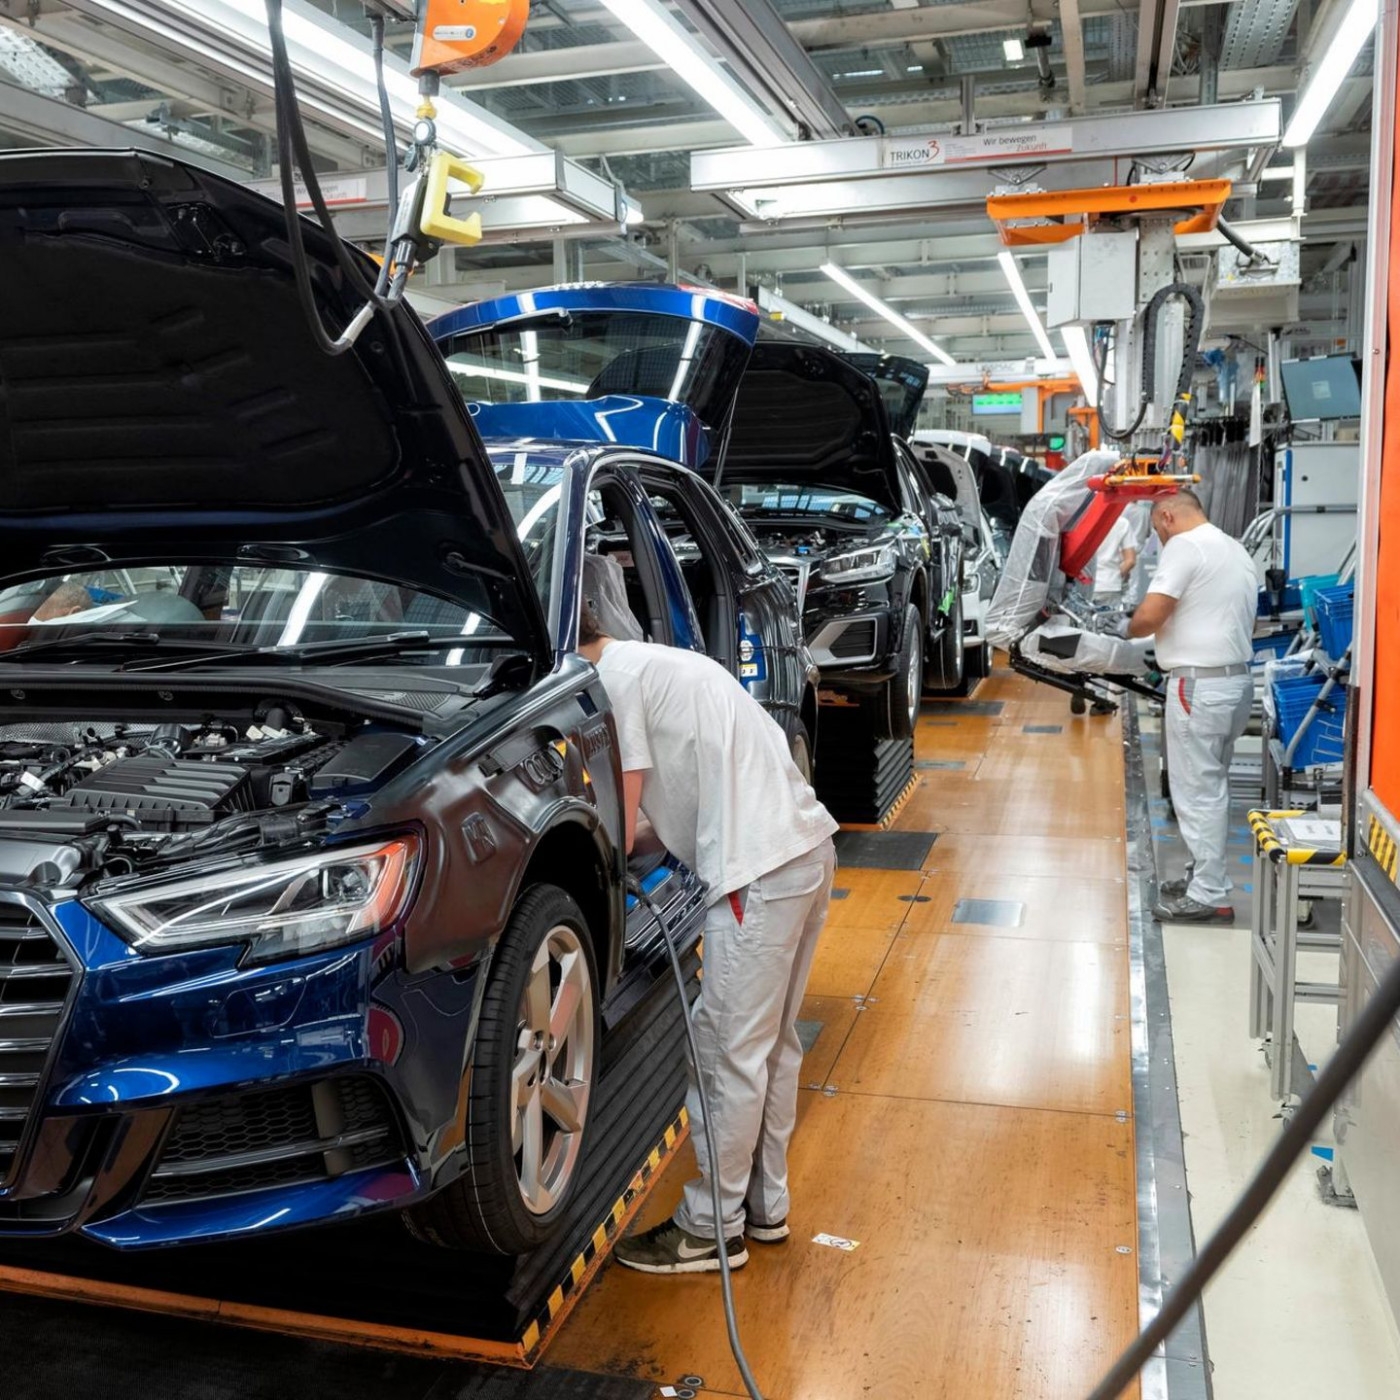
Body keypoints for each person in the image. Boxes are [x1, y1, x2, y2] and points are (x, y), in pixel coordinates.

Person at [576, 601, 838, 1275]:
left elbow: (621, 814)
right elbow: (664, 810)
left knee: (726, 1051)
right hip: (803, 849)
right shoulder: (656, 662)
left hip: (759, 872)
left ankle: (708, 1229)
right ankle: (763, 1207)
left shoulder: (611, 683)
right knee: (768, 1045)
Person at [1125, 489, 1258, 924]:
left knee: (1196, 791)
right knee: (1211, 785)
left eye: (1157, 531)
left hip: (1199, 686)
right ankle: (1203, 874)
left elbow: (1150, 616)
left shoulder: (1184, 546)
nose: (1160, 540)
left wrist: (1124, 626)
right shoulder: (1234, 548)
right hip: (1235, 683)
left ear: (1167, 516)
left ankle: (1209, 894)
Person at [1092, 510, 1138, 608]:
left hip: (1083, 584)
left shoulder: (1083, 521)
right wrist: (1116, 575)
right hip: (1110, 584)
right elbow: (1130, 560)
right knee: (1109, 617)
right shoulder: (1122, 523)